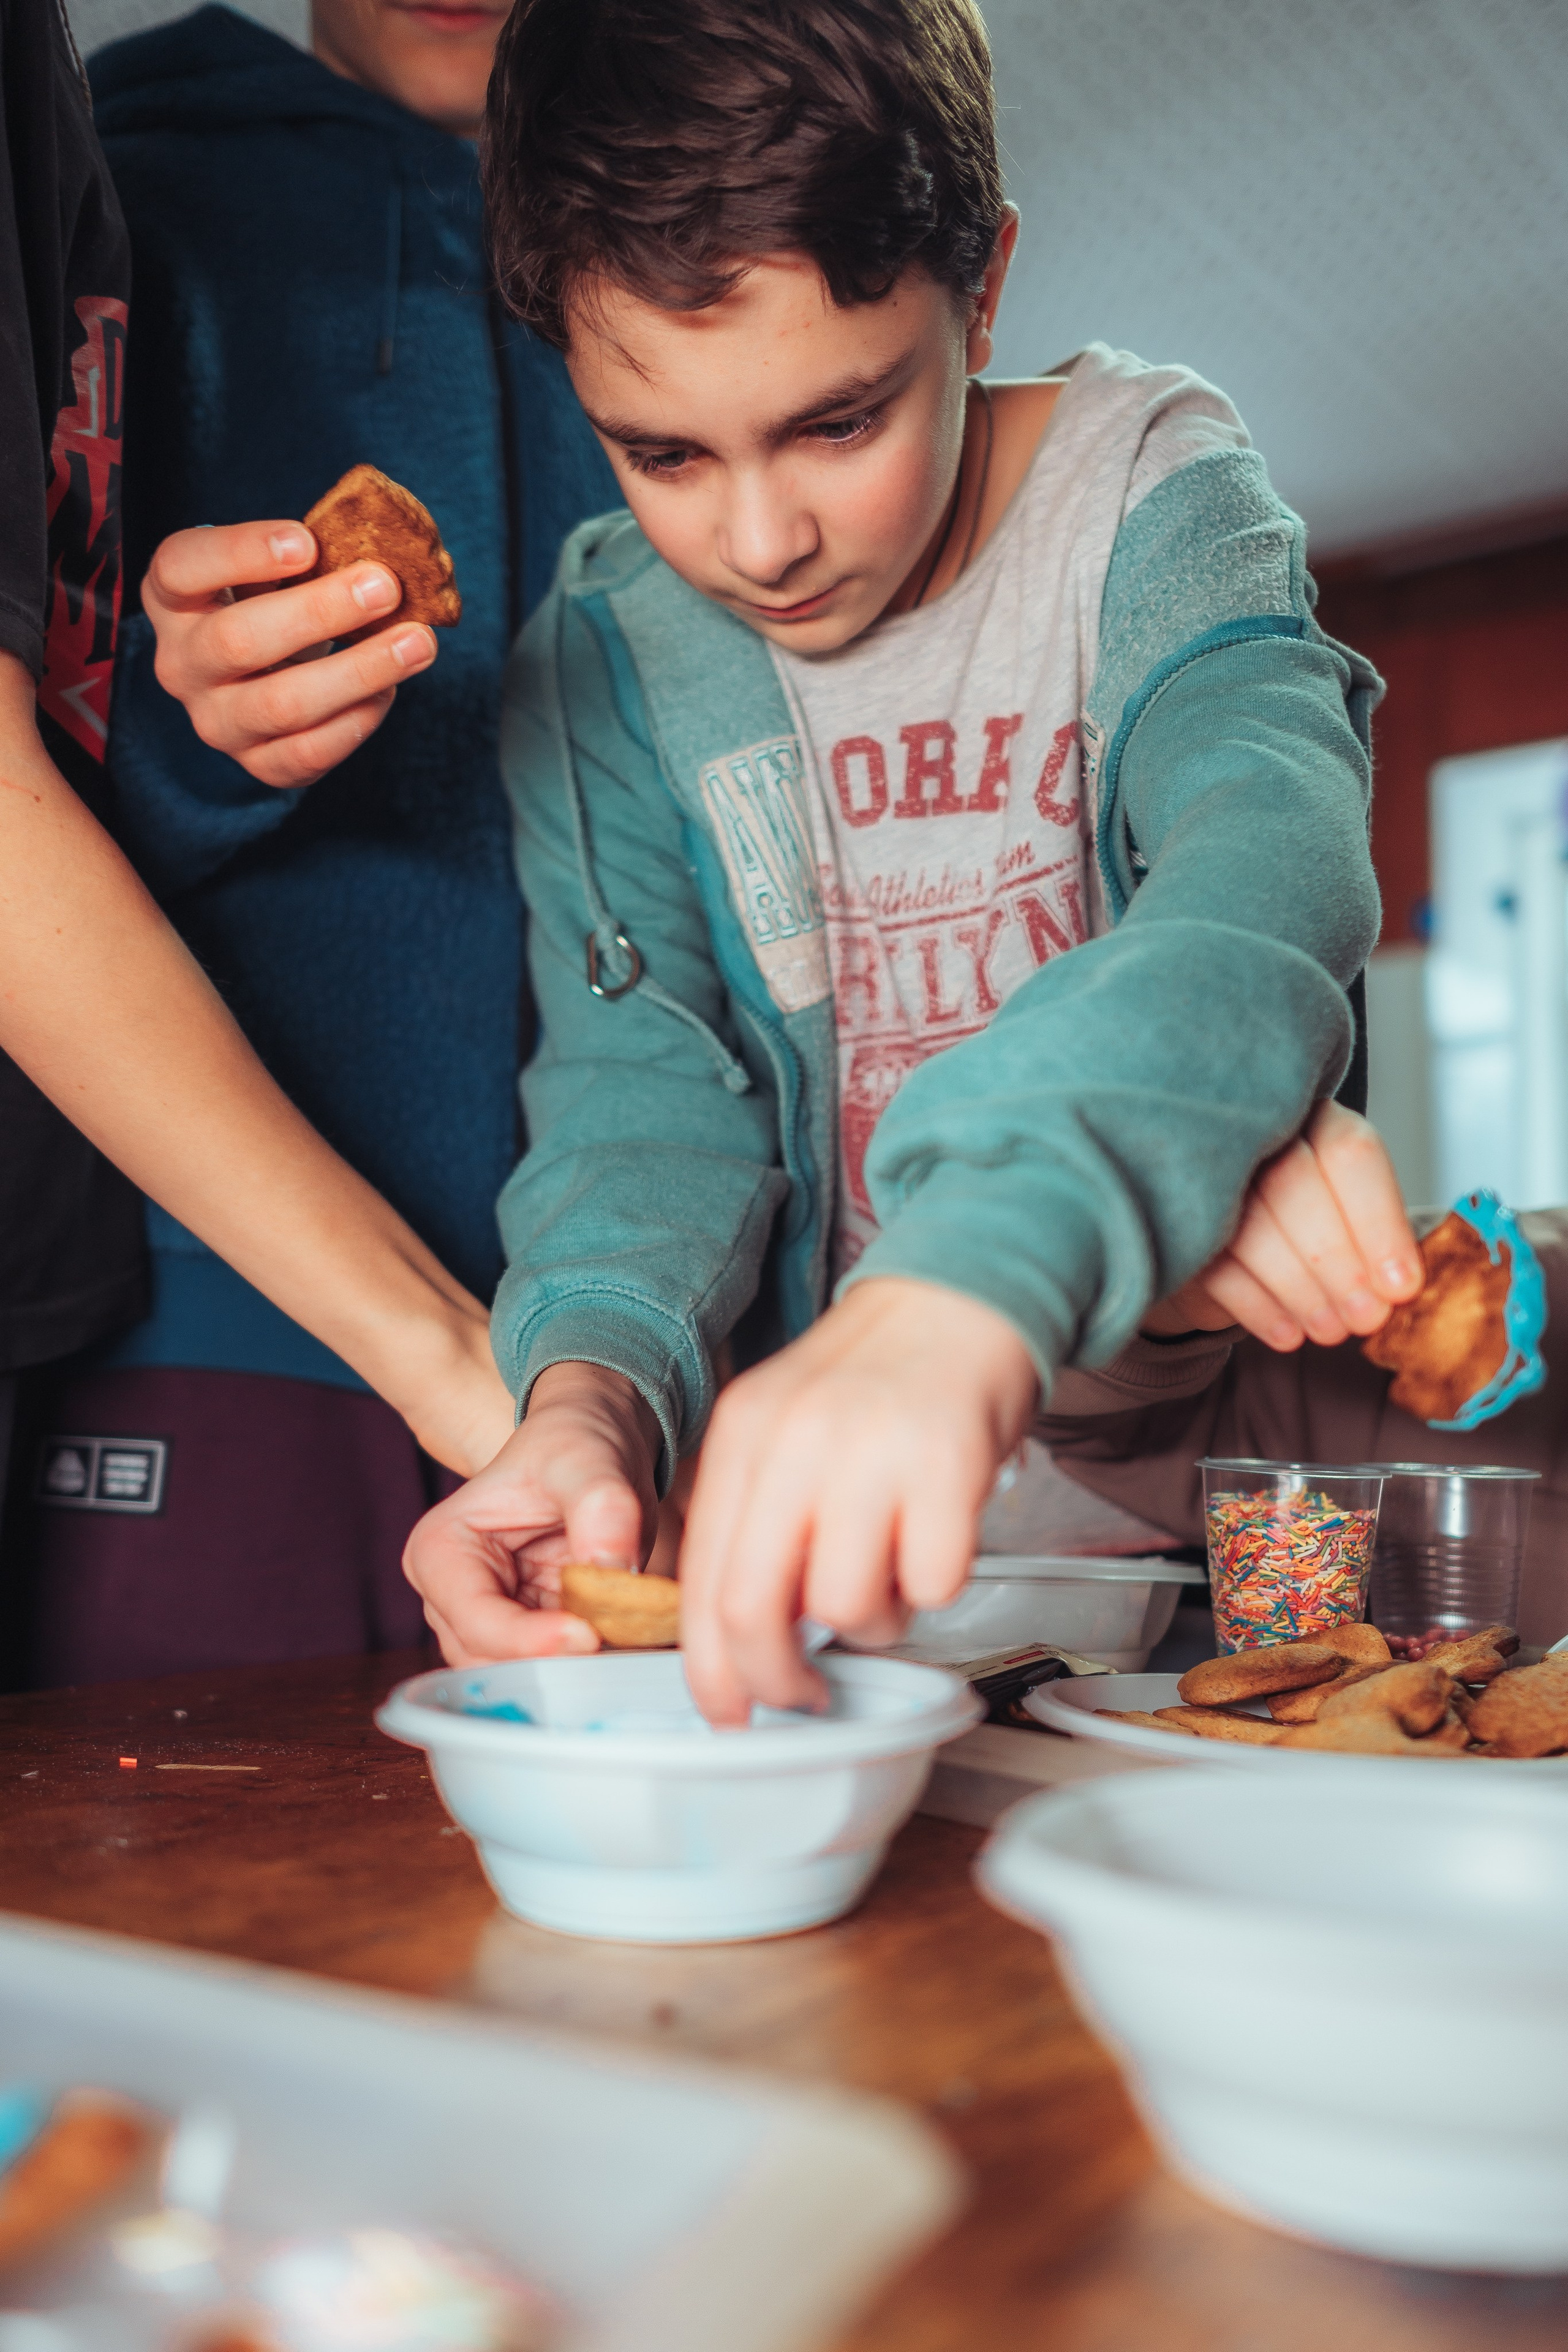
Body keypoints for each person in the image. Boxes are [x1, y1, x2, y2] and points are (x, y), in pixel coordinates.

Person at [402, 0, 1404, 1721]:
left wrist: (959, 1285)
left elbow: (1265, 880)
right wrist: (583, 1402)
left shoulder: (1160, 500)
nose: (760, 538)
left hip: (1210, 1555)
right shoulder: (608, 641)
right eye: (663, 455)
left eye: (839, 422)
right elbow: (643, 1102)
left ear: (985, 284)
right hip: (819, 1597)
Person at [4, 0, 619, 1684]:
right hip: (216, 1312)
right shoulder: (122, 195)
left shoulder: (692, 249)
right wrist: (192, 738)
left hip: (625, 1344)